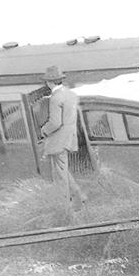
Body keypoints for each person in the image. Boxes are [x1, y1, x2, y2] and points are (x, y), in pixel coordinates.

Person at [39, 65, 87, 207]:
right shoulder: (71, 94)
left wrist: (43, 130)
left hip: (58, 140)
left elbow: (55, 122)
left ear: (49, 82)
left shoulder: (55, 97)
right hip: (69, 138)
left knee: (60, 175)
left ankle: (65, 205)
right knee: (63, 170)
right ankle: (79, 197)